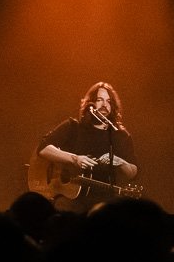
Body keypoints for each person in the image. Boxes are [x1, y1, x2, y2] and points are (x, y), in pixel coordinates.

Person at [34, 81, 139, 213]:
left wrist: (121, 162)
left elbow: (132, 172)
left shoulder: (120, 135)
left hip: (102, 203)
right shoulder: (73, 127)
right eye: (99, 100)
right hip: (68, 201)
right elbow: (43, 149)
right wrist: (75, 159)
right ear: (90, 104)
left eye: (108, 101)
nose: (104, 105)